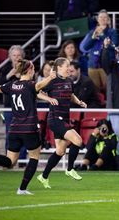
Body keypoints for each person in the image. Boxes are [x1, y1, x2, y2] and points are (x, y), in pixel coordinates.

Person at [0, 59, 56, 195]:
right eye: (33, 69)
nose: (34, 71)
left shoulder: (12, 85)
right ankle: (22, 189)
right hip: (29, 128)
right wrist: (50, 77)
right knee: (34, 158)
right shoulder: (30, 85)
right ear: (29, 70)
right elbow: (41, 85)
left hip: (14, 129)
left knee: (10, 162)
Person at [36, 58, 87, 189]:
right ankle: (70, 169)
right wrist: (49, 98)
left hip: (64, 118)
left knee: (60, 151)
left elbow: (71, 95)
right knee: (78, 140)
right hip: (54, 119)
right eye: (67, 66)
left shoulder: (69, 81)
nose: (69, 68)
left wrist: (79, 102)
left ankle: (44, 176)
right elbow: (36, 92)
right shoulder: (52, 81)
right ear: (59, 67)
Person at [80, 9, 118, 93]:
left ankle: (109, 106)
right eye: (100, 17)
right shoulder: (92, 32)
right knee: (94, 90)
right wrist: (92, 38)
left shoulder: (112, 32)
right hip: (93, 65)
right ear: (97, 19)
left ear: (108, 20)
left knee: (108, 90)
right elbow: (86, 47)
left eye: (105, 17)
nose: (102, 19)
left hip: (106, 65)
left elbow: (114, 46)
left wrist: (101, 35)